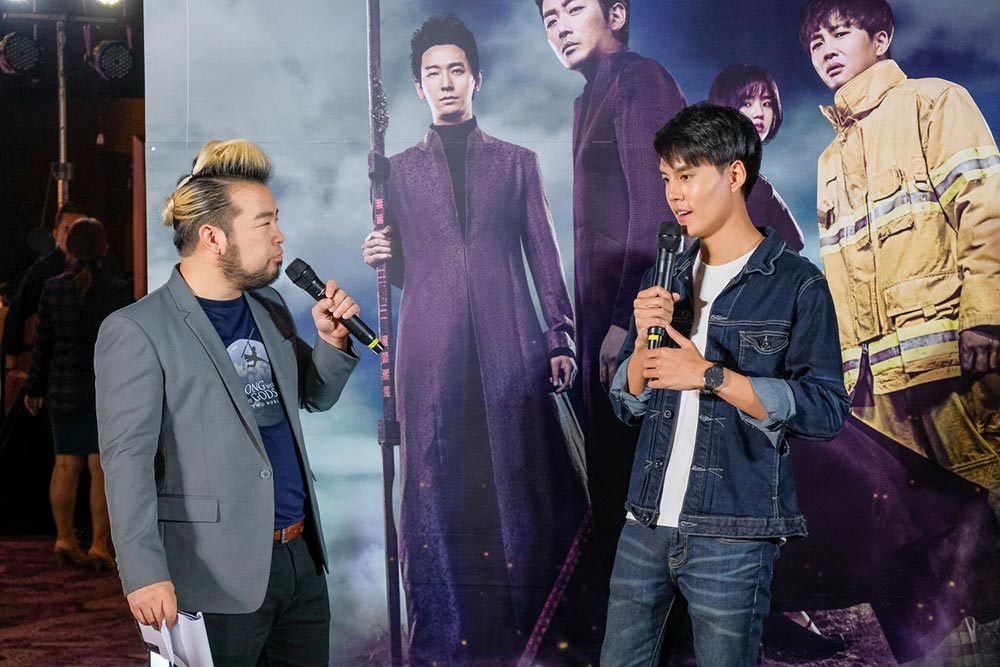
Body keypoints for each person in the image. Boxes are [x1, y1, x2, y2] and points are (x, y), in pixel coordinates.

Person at [362, 16, 589, 665]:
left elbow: (545, 257)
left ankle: (534, 632)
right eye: (432, 73)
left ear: (476, 78)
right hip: (429, 355)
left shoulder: (517, 164)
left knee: (519, 484)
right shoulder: (393, 173)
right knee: (435, 486)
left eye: (455, 69)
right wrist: (383, 255)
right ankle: (440, 638)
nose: (445, 82)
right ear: (418, 86)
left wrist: (561, 336)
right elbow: (408, 273)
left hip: (509, 346)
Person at [600, 102, 849, 666]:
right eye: (666, 179)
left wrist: (711, 376)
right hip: (645, 524)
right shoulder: (664, 276)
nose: (674, 195)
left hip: (734, 534)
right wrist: (642, 348)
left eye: (687, 176)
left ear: (734, 174)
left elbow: (826, 409)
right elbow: (629, 404)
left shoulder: (797, 285)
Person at [95, 139, 360, 666]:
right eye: (265, 223)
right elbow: (126, 463)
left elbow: (313, 397)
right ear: (213, 237)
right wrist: (144, 573)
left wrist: (332, 343)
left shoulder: (270, 305)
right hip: (211, 574)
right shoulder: (137, 330)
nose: (280, 235)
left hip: (300, 561)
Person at [801, 0, 1000, 661]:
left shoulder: (935, 103)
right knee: (909, 548)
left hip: (952, 363)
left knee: (982, 521)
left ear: (881, 38)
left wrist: (986, 317)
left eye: (841, 33)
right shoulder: (828, 158)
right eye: (815, 42)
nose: (827, 50)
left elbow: (985, 209)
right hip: (873, 390)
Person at [534, 0, 687, 587]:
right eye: (550, 18)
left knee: (644, 487)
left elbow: (660, 210)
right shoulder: (587, 100)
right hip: (606, 324)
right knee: (616, 489)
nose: (561, 27)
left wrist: (629, 320)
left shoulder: (639, 79)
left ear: (616, 14)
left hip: (638, 321)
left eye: (575, 8)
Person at [24, 218, 131, 570]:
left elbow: (43, 344)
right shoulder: (117, 290)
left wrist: (34, 387)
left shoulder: (53, 288)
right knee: (101, 468)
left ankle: (65, 538)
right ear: (104, 247)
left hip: (62, 388)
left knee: (65, 463)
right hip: (105, 389)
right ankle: (100, 545)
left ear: (69, 247)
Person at [707, 63, 805, 251]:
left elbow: (795, 242)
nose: (759, 113)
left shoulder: (755, 183)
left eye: (767, 103)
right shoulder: (745, 184)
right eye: (747, 103)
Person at [3, 202, 89, 415]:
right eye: (67, 229)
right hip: (53, 369)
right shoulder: (43, 271)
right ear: (55, 233)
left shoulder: (99, 268)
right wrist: (11, 363)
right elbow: (17, 311)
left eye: (78, 229)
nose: (72, 236)